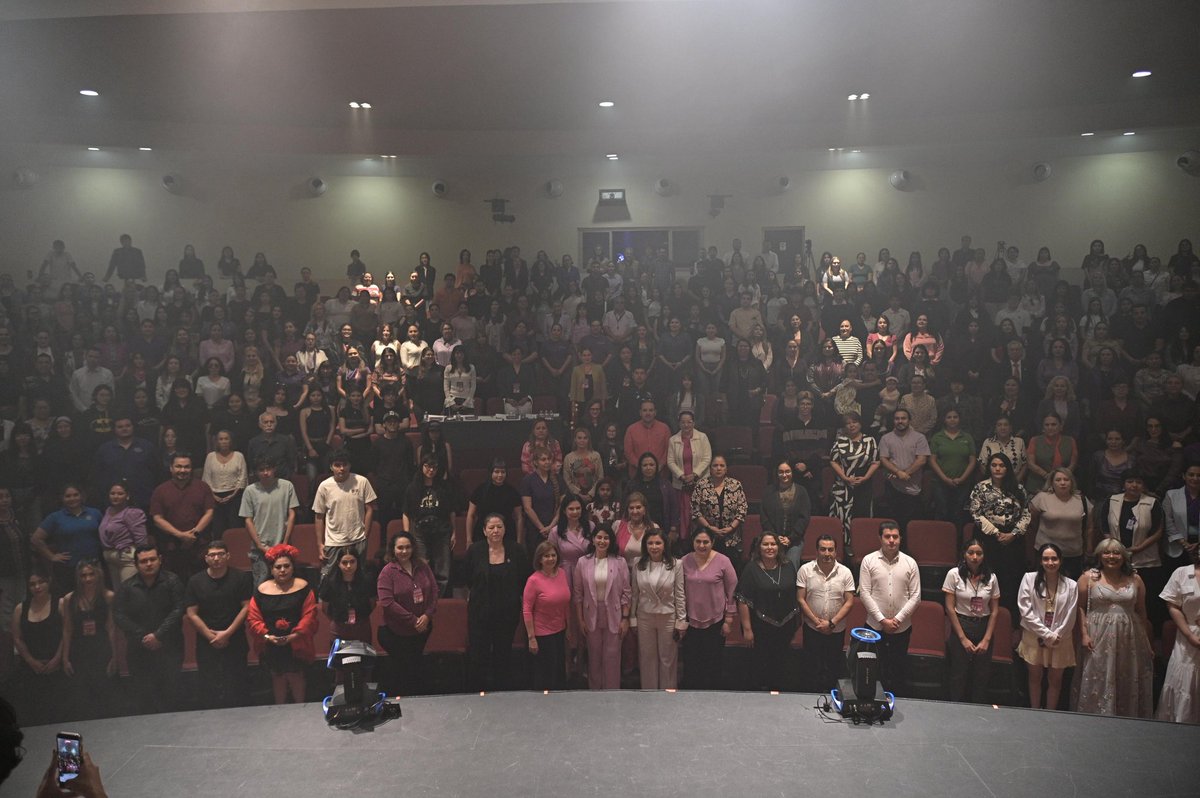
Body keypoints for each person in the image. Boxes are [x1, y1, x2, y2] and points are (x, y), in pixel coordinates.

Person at [1073, 539, 1154, 718]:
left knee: (1126, 674)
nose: (1111, 556)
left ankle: (1125, 716)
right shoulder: (1088, 577)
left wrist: (1146, 641)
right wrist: (1084, 634)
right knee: (1098, 672)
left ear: (1123, 557)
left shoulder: (1135, 578)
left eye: (1116, 553)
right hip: (1098, 633)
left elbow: (1141, 611)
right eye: (1107, 552)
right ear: (1099, 556)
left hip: (1129, 635)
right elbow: (1079, 607)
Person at [114, 544, 184, 714]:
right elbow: (119, 616)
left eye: (152, 559)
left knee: (171, 695)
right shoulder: (127, 587)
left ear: (160, 560)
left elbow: (179, 609)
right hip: (139, 649)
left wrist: (158, 635)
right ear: (136, 564)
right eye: (144, 561)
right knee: (143, 698)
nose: (149, 564)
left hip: (169, 646)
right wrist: (144, 636)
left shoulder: (172, 581)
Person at [184, 539, 252, 708]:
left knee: (237, 682)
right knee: (209, 684)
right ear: (206, 558)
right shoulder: (195, 581)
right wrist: (210, 636)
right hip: (207, 640)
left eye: (220, 554)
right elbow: (191, 613)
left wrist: (227, 633)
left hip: (235, 637)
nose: (216, 558)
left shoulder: (241, 577)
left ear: (228, 556)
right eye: (212, 555)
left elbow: (246, 607)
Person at [246, 543, 317, 704]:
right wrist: (267, 636)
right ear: (271, 569)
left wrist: (294, 636)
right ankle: (280, 711)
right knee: (277, 677)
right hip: (271, 643)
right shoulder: (261, 590)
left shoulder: (304, 587)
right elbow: (253, 618)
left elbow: (309, 615)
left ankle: (300, 710)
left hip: (297, 643)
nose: (282, 570)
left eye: (286, 566)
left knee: (295, 675)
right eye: (278, 567)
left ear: (293, 567)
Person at [465, 513, 529, 692]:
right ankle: (478, 693)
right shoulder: (475, 551)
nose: (495, 531)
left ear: (505, 529)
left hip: (507, 614)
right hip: (480, 613)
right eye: (491, 527)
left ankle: (502, 693)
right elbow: (467, 578)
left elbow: (523, 578)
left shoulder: (516, 550)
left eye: (499, 527)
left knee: (503, 654)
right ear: (484, 530)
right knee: (479, 655)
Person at [858, 522, 921, 694]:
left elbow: (916, 596)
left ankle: (896, 701)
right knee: (873, 670)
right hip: (874, 626)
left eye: (895, 536)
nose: (891, 540)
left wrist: (897, 620)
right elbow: (864, 593)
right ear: (880, 538)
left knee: (898, 669)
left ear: (901, 538)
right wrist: (882, 620)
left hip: (901, 627)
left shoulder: (910, 563)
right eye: (887, 536)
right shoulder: (868, 560)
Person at [968, 453, 1030, 625]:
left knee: (1010, 579)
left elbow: (1026, 514)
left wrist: (1014, 534)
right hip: (987, 539)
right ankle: (981, 618)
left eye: (1001, 465)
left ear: (1007, 468)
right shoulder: (980, 488)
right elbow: (976, 513)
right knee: (986, 577)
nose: (997, 468)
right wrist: (996, 533)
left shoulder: (1018, 488)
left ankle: (1009, 621)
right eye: (994, 465)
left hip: (1013, 539)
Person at [1017, 543, 1078, 710]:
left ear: (1061, 560)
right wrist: (1046, 634)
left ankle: (1051, 713)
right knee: (1034, 677)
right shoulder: (1029, 579)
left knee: (1055, 680)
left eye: (1054, 558)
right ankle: (1035, 711)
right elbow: (1025, 610)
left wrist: (1055, 635)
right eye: (1046, 559)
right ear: (1040, 561)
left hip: (1061, 637)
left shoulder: (1071, 585)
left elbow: (1071, 615)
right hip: (1034, 635)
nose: (1050, 562)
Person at [377, 532, 438, 696]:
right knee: (403, 672)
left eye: (408, 547)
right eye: (400, 548)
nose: (404, 551)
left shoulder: (423, 566)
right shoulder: (387, 572)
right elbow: (387, 603)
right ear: (393, 549)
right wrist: (413, 620)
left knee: (416, 669)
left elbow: (434, 591)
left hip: (421, 629)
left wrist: (427, 615)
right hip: (397, 633)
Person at [736, 532, 799, 692]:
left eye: (773, 544)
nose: (770, 548)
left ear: (779, 547)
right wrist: (747, 629)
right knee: (761, 665)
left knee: (781, 665)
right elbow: (743, 600)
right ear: (759, 547)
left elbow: (795, 595)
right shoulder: (751, 569)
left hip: (785, 626)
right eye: (766, 544)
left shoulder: (788, 566)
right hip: (760, 627)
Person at [572, 525, 631, 690]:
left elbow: (627, 593)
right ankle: (595, 694)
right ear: (593, 539)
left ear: (610, 541)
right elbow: (578, 594)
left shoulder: (620, 562)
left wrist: (625, 618)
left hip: (614, 614)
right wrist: (580, 619)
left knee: (612, 656)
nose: (602, 541)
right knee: (594, 657)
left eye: (606, 538)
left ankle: (612, 694)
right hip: (591, 615)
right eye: (599, 537)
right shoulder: (583, 562)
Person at [942, 539, 999, 704]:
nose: (975, 557)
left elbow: (995, 610)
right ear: (964, 554)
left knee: (981, 674)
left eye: (979, 553)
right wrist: (963, 639)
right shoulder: (954, 574)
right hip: (961, 625)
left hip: (983, 626)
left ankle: (977, 710)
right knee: (958, 673)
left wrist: (986, 639)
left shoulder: (991, 577)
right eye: (971, 553)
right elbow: (949, 608)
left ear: (984, 556)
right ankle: (956, 708)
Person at [796, 534, 855, 693]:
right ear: (817, 551)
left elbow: (849, 602)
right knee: (811, 667)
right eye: (823, 549)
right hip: (812, 628)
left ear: (836, 551)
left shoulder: (845, 572)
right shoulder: (805, 570)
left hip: (836, 629)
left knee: (833, 667)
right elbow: (801, 599)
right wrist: (817, 622)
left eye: (830, 549)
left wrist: (831, 623)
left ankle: (831, 697)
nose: (827, 553)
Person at [680, 528, 737, 691]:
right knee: (692, 663)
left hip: (716, 620)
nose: (702, 545)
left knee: (713, 662)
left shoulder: (723, 561)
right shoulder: (684, 561)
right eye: (698, 541)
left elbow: (732, 590)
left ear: (712, 542)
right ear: (692, 542)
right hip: (690, 621)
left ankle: (712, 696)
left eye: (706, 542)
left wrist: (729, 618)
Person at [59, 560, 116, 720]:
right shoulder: (69, 598)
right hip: (79, 649)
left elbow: (111, 628)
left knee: (103, 691)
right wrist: (65, 658)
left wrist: (114, 656)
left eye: (91, 574)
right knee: (81, 694)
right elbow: (67, 629)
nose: (88, 578)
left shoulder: (108, 596)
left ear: (98, 575)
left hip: (101, 647)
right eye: (83, 575)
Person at [630, 528, 686, 689]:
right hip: (644, 616)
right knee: (647, 658)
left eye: (658, 543)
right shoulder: (638, 563)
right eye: (650, 543)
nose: (654, 547)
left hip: (667, 616)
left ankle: (668, 693)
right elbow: (634, 593)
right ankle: (649, 694)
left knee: (667, 658)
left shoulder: (676, 564)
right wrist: (632, 618)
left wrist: (681, 621)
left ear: (664, 545)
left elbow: (680, 594)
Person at [9, 568, 65, 725]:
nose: (37, 587)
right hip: (31, 669)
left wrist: (57, 659)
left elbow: (67, 634)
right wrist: (31, 661)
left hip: (58, 667)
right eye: (32, 584)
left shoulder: (60, 603)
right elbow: (17, 638)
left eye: (41, 582)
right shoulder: (20, 608)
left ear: (49, 582)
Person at [312, 449, 377, 579]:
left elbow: (369, 508)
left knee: (358, 577)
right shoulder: (324, 486)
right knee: (329, 577)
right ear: (331, 467)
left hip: (358, 539)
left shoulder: (362, 481)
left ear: (349, 465)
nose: (341, 468)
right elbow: (319, 516)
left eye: (344, 464)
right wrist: (320, 544)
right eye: (337, 465)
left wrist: (365, 534)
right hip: (333, 541)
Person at [149, 453, 215, 579]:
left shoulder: (203, 487)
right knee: (174, 583)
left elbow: (209, 512)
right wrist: (180, 535)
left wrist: (194, 534)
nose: (183, 470)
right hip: (171, 548)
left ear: (191, 468)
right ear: (171, 468)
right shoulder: (160, 490)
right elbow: (157, 519)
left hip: (199, 546)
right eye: (178, 466)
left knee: (201, 582)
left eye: (186, 467)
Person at [1156, 539, 1200, 723]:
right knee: (1184, 681)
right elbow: (1173, 605)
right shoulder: (1182, 573)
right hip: (1187, 636)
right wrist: (1189, 635)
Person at [30, 484, 103, 593]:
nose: (72, 498)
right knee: (71, 598)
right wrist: (51, 556)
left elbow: (105, 534)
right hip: (69, 568)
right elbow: (36, 539)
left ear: (81, 496)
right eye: (68, 496)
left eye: (75, 495)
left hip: (94, 565)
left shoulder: (95, 513)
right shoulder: (55, 517)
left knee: (96, 595)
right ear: (62, 498)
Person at [238, 459, 299, 587]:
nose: (266, 473)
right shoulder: (250, 490)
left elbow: (292, 514)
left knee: (286, 584)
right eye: (261, 470)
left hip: (283, 545)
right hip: (259, 548)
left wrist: (285, 543)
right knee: (261, 585)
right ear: (256, 472)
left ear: (274, 469)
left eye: (268, 469)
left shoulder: (287, 486)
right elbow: (248, 520)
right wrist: (260, 545)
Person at [403, 454, 457, 596]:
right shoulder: (413, 488)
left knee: (443, 568)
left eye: (434, 467)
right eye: (427, 466)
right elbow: (406, 513)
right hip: (419, 531)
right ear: (421, 467)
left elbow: (451, 511)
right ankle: (424, 598)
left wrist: (454, 532)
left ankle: (440, 599)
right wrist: (407, 534)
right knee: (421, 566)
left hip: (441, 531)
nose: (431, 470)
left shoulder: (444, 487)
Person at [827, 411, 879, 556]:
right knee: (843, 519)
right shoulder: (840, 441)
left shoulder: (870, 440)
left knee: (862, 516)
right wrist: (845, 477)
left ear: (860, 423)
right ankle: (843, 549)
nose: (851, 425)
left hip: (864, 484)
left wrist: (866, 477)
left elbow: (876, 461)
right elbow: (833, 461)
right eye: (848, 423)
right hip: (843, 486)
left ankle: (862, 549)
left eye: (854, 422)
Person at [523, 540, 571, 690]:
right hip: (542, 634)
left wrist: (568, 628)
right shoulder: (533, 580)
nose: (551, 559)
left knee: (559, 673)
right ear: (539, 559)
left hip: (560, 631)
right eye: (546, 556)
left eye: (553, 555)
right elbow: (527, 610)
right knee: (546, 676)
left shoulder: (562, 573)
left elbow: (565, 602)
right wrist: (531, 638)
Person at [1029, 468, 1091, 579]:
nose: (1062, 483)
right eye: (1058, 480)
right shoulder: (1042, 498)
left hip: (1073, 554)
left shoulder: (1082, 500)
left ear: (1071, 482)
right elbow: (1032, 525)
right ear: (1052, 482)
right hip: (1046, 553)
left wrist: (1089, 550)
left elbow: (1089, 527)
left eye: (1066, 479)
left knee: (1071, 586)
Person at [877, 408, 931, 538]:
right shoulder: (886, 438)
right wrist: (897, 472)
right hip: (893, 487)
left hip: (914, 488)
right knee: (894, 525)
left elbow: (922, 460)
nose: (900, 421)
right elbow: (883, 459)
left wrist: (905, 473)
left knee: (913, 526)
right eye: (897, 418)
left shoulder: (920, 438)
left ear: (909, 420)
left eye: (903, 418)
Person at [689, 455, 748, 571]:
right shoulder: (701, 485)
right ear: (710, 469)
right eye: (715, 465)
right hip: (707, 536)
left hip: (731, 537)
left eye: (722, 465)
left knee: (731, 570)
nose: (718, 468)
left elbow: (742, 509)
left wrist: (731, 528)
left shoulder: (736, 485)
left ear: (726, 469)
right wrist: (709, 527)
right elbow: (695, 510)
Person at [760, 460, 810, 568]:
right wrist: (776, 537)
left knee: (790, 564)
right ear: (777, 473)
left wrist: (790, 538)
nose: (784, 475)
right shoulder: (768, 491)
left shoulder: (802, 492)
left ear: (792, 472)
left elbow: (804, 518)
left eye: (787, 471)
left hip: (794, 540)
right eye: (781, 472)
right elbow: (764, 518)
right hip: (772, 540)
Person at [520, 446, 565, 559]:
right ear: (535, 462)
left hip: (555, 527)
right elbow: (527, 508)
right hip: (535, 529)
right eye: (543, 459)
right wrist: (542, 528)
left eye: (549, 459)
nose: (547, 462)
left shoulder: (558, 479)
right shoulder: (528, 481)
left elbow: (562, 505)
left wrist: (551, 526)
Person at [466, 459, 524, 545]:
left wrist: (519, 541)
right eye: (496, 472)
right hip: (482, 534)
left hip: (507, 534)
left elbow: (519, 517)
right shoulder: (480, 490)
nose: (500, 475)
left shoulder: (512, 492)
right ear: (491, 473)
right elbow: (471, 515)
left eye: (503, 472)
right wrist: (469, 539)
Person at [622, 400, 671, 478]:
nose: (648, 413)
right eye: (645, 410)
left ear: (655, 412)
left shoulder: (664, 428)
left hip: (660, 474)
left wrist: (659, 466)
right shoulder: (631, 429)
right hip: (637, 475)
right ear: (640, 413)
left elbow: (668, 450)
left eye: (651, 410)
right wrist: (642, 467)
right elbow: (628, 452)